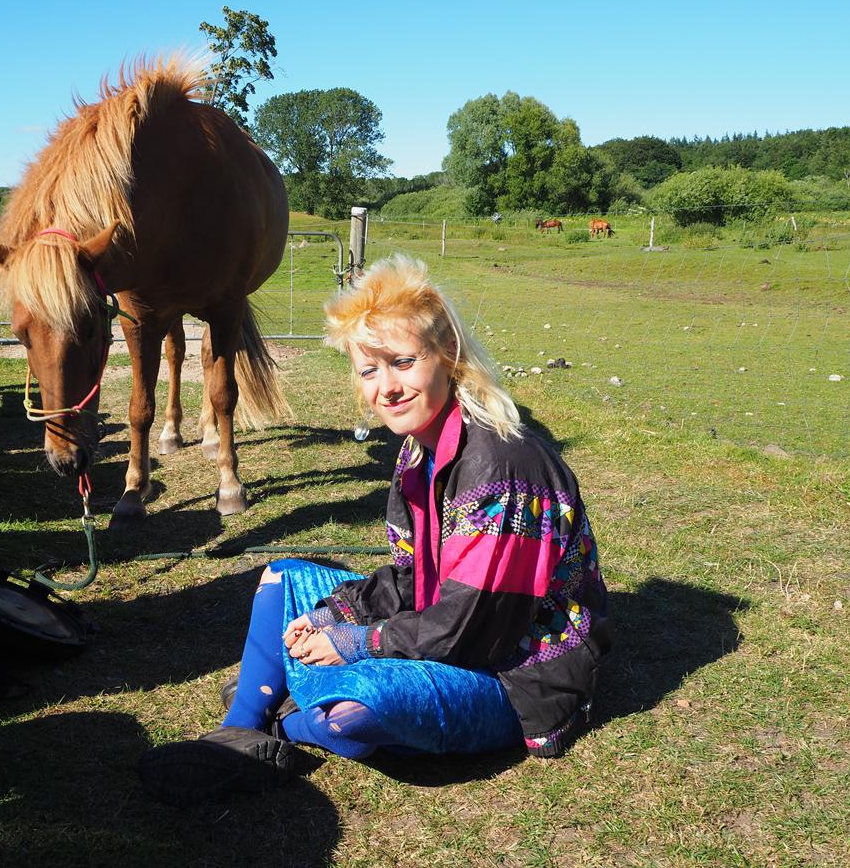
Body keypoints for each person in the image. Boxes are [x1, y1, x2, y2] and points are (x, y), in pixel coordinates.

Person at [139, 254, 612, 805]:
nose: (386, 387)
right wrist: (334, 611)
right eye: (369, 370)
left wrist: (357, 641)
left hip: (512, 673)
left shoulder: (503, 467)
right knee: (283, 580)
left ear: (449, 356)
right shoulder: (419, 451)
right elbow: (411, 579)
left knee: (363, 705)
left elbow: (475, 630)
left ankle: (284, 721)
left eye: (403, 362)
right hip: (441, 631)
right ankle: (240, 730)